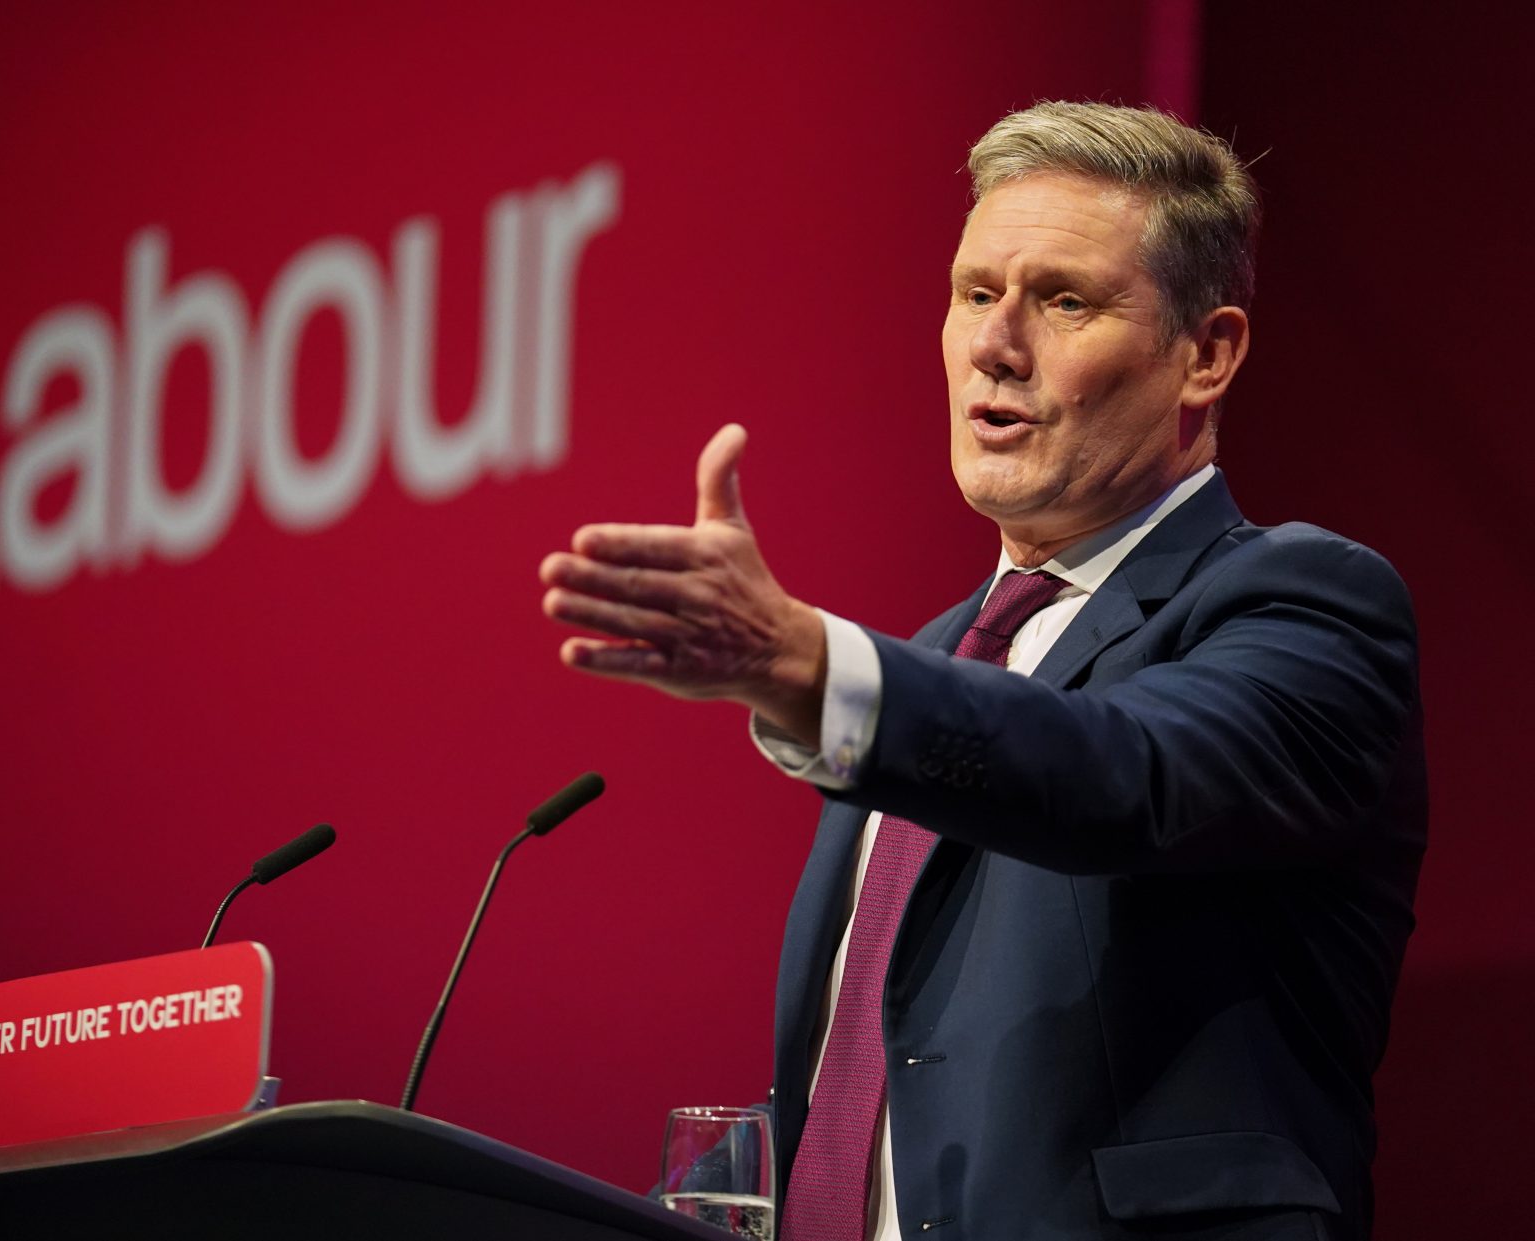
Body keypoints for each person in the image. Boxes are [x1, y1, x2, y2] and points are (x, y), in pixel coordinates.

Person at [539, 101, 1424, 1241]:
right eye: (973, 293)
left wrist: (809, 662)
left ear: (1207, 354)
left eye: (1063, 300)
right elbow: (888, 1076)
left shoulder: (1306, 604)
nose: (995, 345)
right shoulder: (940, 660)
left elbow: (1125, 773)